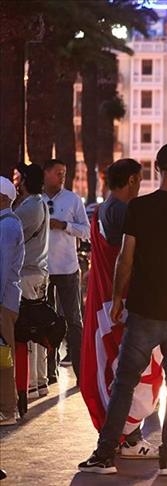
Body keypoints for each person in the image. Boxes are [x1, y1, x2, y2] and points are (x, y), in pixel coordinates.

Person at [78, 143, 167, 475]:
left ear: (157, 169)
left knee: (124, 383)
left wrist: (117, 298)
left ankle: (105, 454)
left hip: (143, 311)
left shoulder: (138, 208)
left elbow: (125, 258)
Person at [80, 159, 161, 460]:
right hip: (121, 302)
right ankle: (125, 440)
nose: (140, 185)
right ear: (131, 180)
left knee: (116, 369)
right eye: (139, 180)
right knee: (131, 373)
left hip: (107, 301)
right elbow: (127, 257)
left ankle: (121, 438)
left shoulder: (102, 209)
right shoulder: (124, 211)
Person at [42, 159, 90, 381]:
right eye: (58, 172)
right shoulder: (36, 200)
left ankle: (81, 371)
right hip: (43, 270)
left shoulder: (72, 200)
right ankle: (49, 371)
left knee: (74, 321)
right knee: (46, 322)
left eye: (64, 173)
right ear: (46, 173)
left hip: (68, 269)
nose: (62, 177)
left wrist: (64, 226)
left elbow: (86, 231)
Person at [11, 164, 50, 401]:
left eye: (18, 178)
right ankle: (40, 382)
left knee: (28, 330)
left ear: (25, 180)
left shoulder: (29, 207)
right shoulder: (39, 202)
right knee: (37, 327)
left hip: (27, 273)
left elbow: (9, 229)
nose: (16, 182)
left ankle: (32, 383)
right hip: (38, 272)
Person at [0, 176, 25, 427]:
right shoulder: (7, 223)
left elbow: (3, 268)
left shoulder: (7, 226)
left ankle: (8, 410)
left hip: (3, 302)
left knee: (3, 356)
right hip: (5, 300)